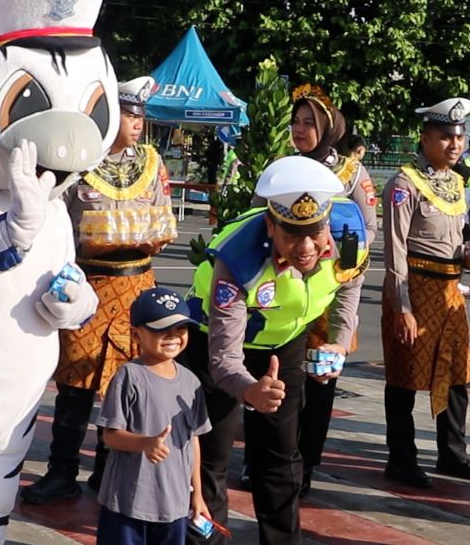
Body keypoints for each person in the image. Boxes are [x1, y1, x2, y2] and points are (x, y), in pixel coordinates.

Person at [184, 156, 364, 544]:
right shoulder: (238, 263)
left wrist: (338, 339)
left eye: (315, 232)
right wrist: (250, 391)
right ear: (270, 226)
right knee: (211, 455)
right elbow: (224, 359)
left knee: (281, 455)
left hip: (284, 344)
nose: (305, 248)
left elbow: (349, 285)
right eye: (290, 235)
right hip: (214, 343)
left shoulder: (350, 237)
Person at [23, 76, 177, 504]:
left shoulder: (152, 164)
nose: (136, 123)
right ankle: (62, 470)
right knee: (75, 383)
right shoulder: (78, 163)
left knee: (125, 383)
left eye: (140, 115)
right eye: (128, 114)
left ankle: (111, 468)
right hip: (87, 283)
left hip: (136, 283)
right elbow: (57, 222)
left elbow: (162, 222)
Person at [382, 98, 470, 489]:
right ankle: (401, 459)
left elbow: (458, 239)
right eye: (445, 137)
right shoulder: (404, 183)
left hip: (450, 293)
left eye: (459, 137)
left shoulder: (458, 183)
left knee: (458, 374)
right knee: (405, 378)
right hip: (414, 288)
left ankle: (453, 453)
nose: (454, 145)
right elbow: (394, 250)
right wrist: (401, 308)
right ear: (425, 137)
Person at [288, 83, 374, 496]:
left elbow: (368, 228)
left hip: (331, 293)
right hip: (283, 291)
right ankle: (267, 459)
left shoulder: (353, 173)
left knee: (319, 385)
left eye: (310, 122)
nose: (301, 130)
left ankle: (306, 464)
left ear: (329, 127)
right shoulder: (282, 167)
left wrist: (332, 249)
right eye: (297, 122)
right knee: (278, 379)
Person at [95, 287, 211, 545]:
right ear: (136, 334)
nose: (173, 337)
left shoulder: (191, 382)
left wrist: (197, 495)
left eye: (180, 329)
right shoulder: (129, 376)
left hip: (175, 504)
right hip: (128, 501)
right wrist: (145, 443)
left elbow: (193, 441)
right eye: (161, 330)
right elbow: (110, 436)